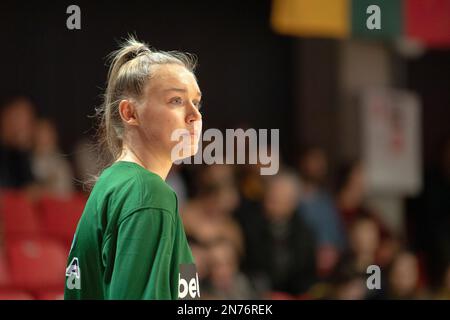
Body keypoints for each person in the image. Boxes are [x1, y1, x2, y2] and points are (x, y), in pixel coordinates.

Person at [64, 37, 203, 300]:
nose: (194, 115)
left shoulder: (114, 183)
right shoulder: (148, 193)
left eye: (197, 102)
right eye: (176, 100)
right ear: (130, 113)